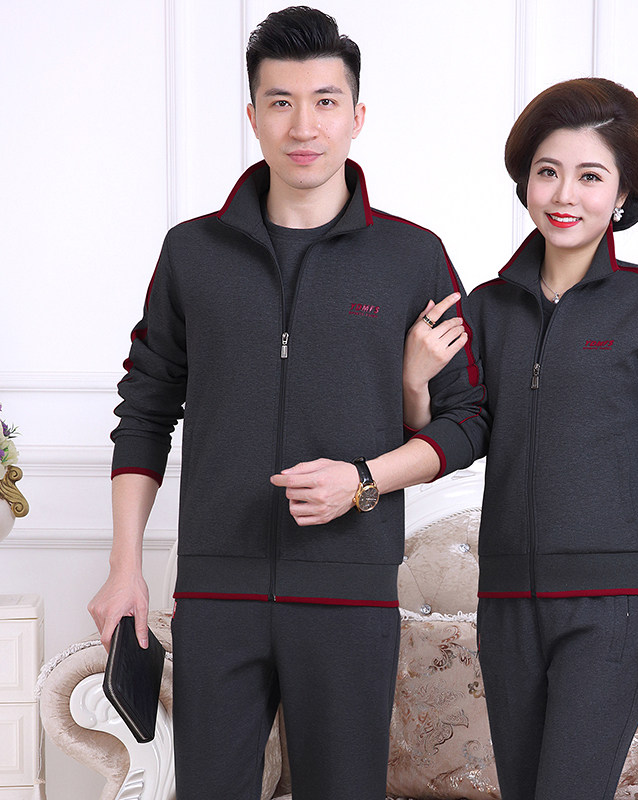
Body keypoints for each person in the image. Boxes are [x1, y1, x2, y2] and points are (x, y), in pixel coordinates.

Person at [88, 7, 486, 799]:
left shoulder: (413, 257)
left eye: (325, 101)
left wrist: (362, 480)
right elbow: (145, 410)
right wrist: (124, 568)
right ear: (253, 116)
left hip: (349, 595)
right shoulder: (193, 252)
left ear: (357, 116)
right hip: (216, 595)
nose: (304, 126)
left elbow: (470, 419)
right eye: (281, 102)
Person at [402, 77, 638, 800]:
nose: (564, 194)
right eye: (548, 172)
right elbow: (459, 431)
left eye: (590, 176)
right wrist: (414, 381)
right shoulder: (486, 307)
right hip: (507, 601)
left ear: (625, 192)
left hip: (614, 604)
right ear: (526, 182)